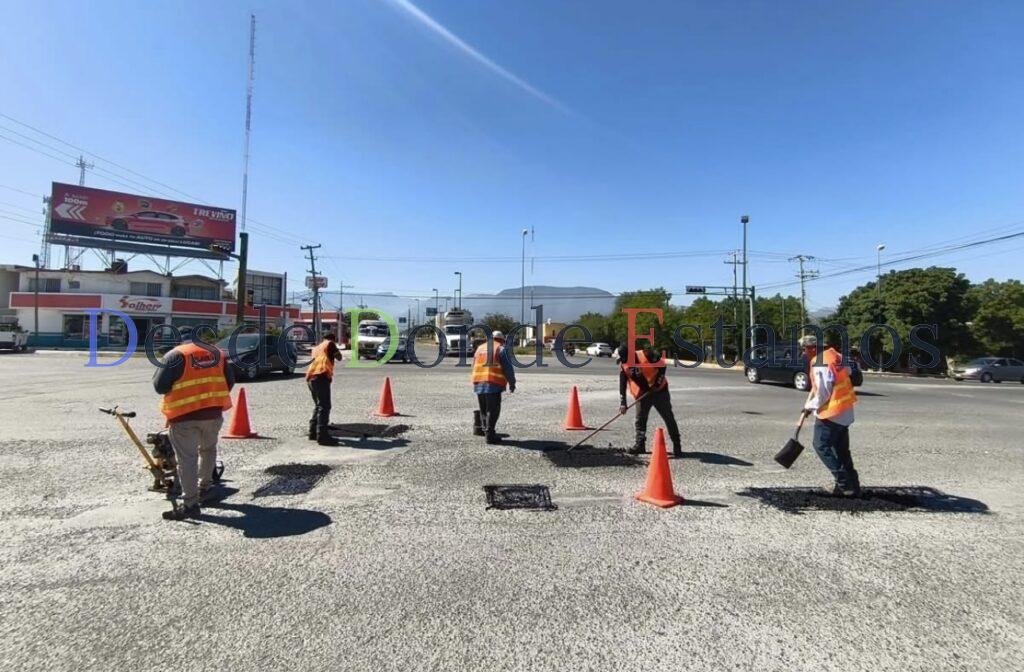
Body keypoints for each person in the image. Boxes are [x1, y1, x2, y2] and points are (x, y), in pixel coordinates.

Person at [153, 332, 234, 521]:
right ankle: (205, 488)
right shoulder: (217, 353)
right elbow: (229, 381)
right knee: (208, 450)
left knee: (188, 459)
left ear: (180, 340)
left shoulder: (176, 354)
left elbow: (160, 386)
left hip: (184, 416)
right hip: (213, 413)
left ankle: (190, 503)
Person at [800, 334, 861, 497]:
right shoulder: (835, 355)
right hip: (845, 411)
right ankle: (853, 485)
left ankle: (844, 483)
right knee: (841, 450)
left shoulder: (820, 362)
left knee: (821, 445)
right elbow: (848, 372)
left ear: (812, 348)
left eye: (804, 349)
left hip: (831, 413)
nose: (803, 353)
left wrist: (809, 406)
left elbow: (824, 392)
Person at [618, 343, 682, 457]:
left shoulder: (646, 354)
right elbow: (622, 384)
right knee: (640, 420)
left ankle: (677, 445)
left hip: (660, 391)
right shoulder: (624, 365)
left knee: (668, 417)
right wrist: (623, 403)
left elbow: (662, 366)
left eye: (626, 359)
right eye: (623, 360)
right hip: (643, 394)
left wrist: (657, 384)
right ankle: (640, 445)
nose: (625, 361)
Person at [471, 330, 516, 445]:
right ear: (501, 340)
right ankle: (490, 435)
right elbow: (508, 368)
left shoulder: (480, 348)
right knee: (493, 410)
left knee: (483, 409)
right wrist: (512, 383)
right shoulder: (501, 349)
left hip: (478, 382)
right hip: (493, 383)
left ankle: (485, 431)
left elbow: (474, 365)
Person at [307, 332, 343, 446]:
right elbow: (339, 357)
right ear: (333, 339)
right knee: (325, 406)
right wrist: (337, 349)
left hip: (311, 378)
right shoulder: (330, 344)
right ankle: (322, 436)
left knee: (319, 405)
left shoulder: (317, 347)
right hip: (321, 376)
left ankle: (313, 432)